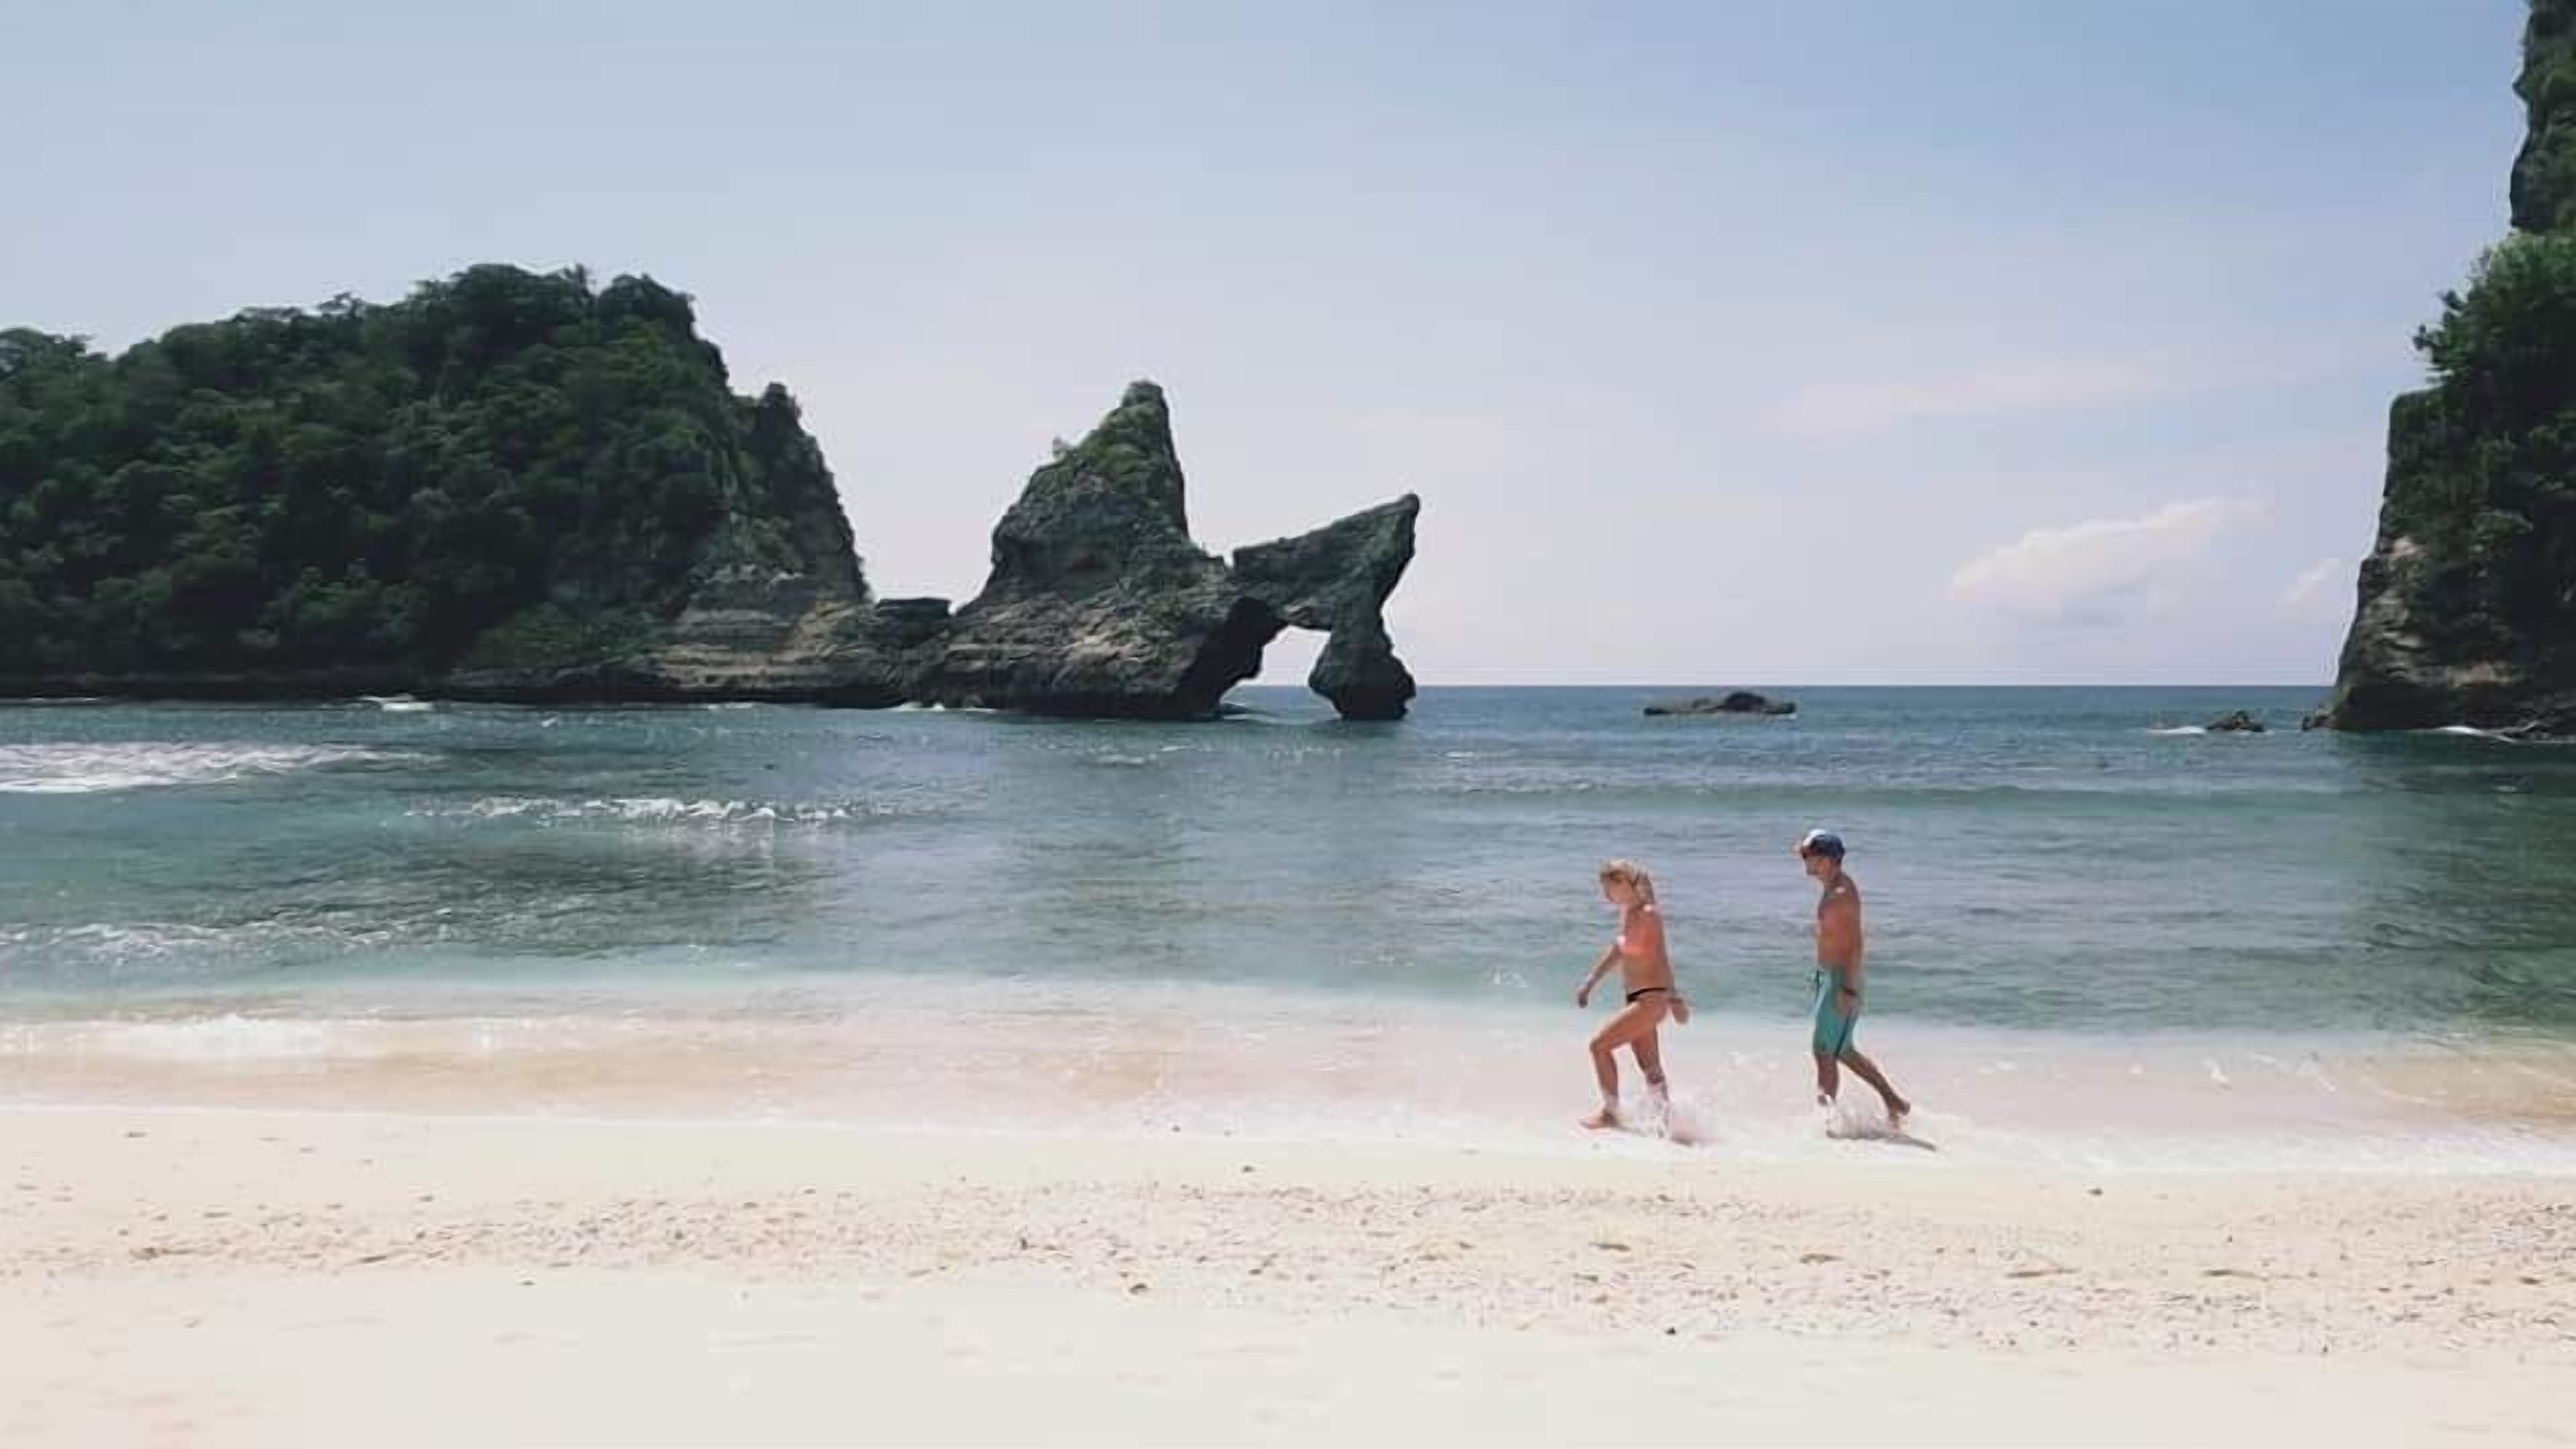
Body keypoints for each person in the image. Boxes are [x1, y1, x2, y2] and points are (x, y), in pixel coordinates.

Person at [1796, 829, 1911, 1130]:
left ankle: (1827, 1121)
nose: (1804, 861)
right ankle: (1894, 1102)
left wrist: (1846, 987)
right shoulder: (1833, 887)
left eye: (1808, 855)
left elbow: (1855, 944)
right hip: (1828, 977)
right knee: (1842, 1050)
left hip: (1840, 980)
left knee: (1824, 1051)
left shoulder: (1841, 895)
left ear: (1827, 859)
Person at [1574, 859, 1690, 1130]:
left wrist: (1675, 999)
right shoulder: (1629, 913)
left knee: (1599, 1046)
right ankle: (1665, 1124)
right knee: (1650, 1067)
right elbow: (1619, 950)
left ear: (1624, 883)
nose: (1606, 896)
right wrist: (1591, 981)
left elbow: (1661, 957)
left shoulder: (1648, 914)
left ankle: (1611, 1112)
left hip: (1651, 999)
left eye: (1608, 889)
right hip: (1637, 997)